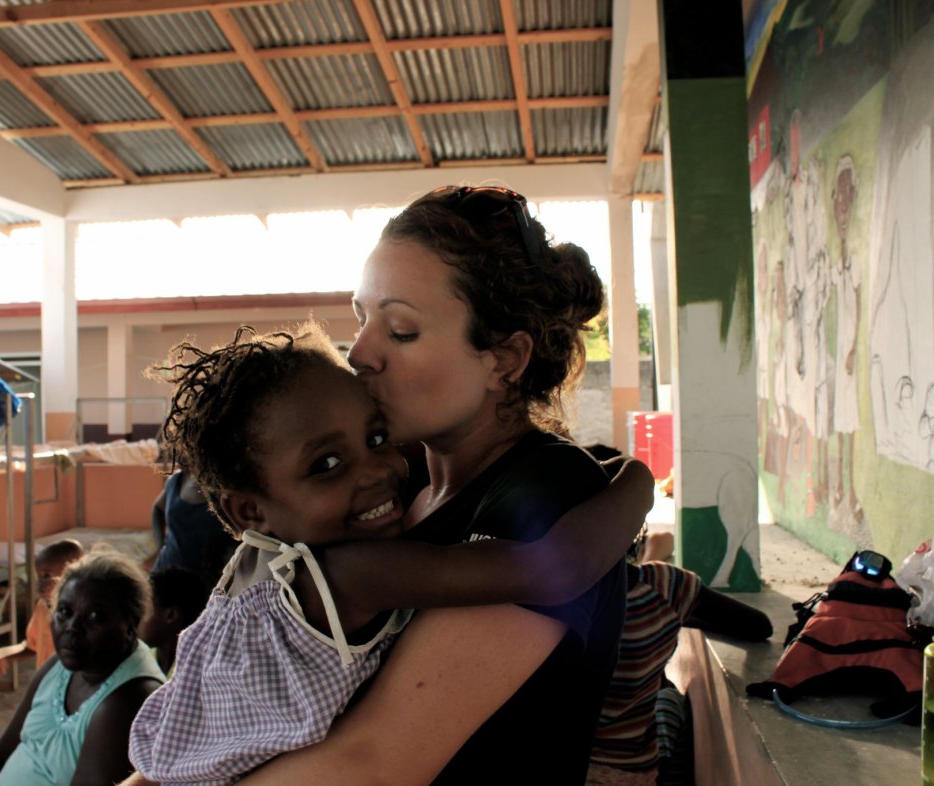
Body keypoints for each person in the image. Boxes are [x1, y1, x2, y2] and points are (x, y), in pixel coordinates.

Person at [225, 184, 652, 785]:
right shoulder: (395, 483)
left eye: (400, 331)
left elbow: (372, 762)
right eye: (361, 318)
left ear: (504, 360)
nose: (360, 354)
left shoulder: (547, 495)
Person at [127, 323, 650, 785]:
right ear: (248, 510)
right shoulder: (351, 574)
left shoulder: (249, 571)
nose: (377, 470)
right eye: (327, 463)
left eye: (377, 437)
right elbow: (557, 571)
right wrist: (637, 481)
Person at [586, 531, 773, 786]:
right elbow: (758, 626)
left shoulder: (536, 602)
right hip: (631, 772)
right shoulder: (662, 587)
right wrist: (676, 613)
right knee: (670, 694)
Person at [0, 550, 165, 786]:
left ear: (130, 624)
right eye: (64, 612)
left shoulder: (128, 698)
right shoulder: (59, 667)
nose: (73, 627)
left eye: (95, 617)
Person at [150, 470, 238, 587]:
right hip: (163, 576)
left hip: (205, 588)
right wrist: (161, 546)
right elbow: (157, 509)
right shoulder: (176, 480)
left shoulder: (228, 488)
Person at [24, 538, 85, 670]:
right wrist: (3, 655)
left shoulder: (83, 606)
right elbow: (32, 646)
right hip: (48, 681)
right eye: (39, 576)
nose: (41, 582)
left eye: (47, 575)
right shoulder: (42, 606)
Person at [139, 566, 208, 675]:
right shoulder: (145, 656)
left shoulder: (196, 669)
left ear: (170, 615)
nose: (136, 619)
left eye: (144, 610)